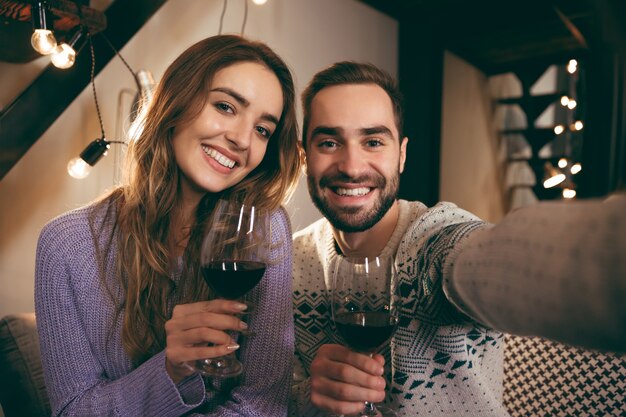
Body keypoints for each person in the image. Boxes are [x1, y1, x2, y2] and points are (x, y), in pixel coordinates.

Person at [290, 61, 626, 416]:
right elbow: (267, 394)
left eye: (373, 142)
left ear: (401, 155)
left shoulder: (436, 238)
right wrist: (311, 397)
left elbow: (490, 258)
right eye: (329, 142)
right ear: (304, 158)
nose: (352, 166)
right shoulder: (289, 260)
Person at [35, 34, 302, 416]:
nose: (242, 139)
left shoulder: (263, 229)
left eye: (263, 130)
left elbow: (263, 405)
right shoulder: (65, 246)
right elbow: (74, 411)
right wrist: (168, 371)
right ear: (176, 103)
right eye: (225, 106)